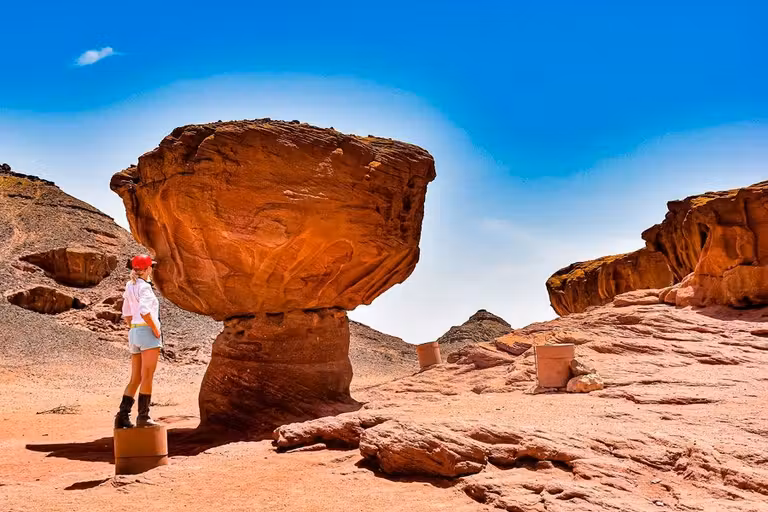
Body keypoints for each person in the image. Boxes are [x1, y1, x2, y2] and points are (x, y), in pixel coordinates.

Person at [114, 254, 163, 428]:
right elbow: (144, 311)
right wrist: (155, 330)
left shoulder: (130, 285)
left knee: (135, 378)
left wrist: (134, 328)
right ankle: (143, 417)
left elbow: (126, 313)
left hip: (134, 332)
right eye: (152, 267)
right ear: (147, 269)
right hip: (146, 332)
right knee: (147, 376)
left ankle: (122, 416)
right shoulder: (145, 288)